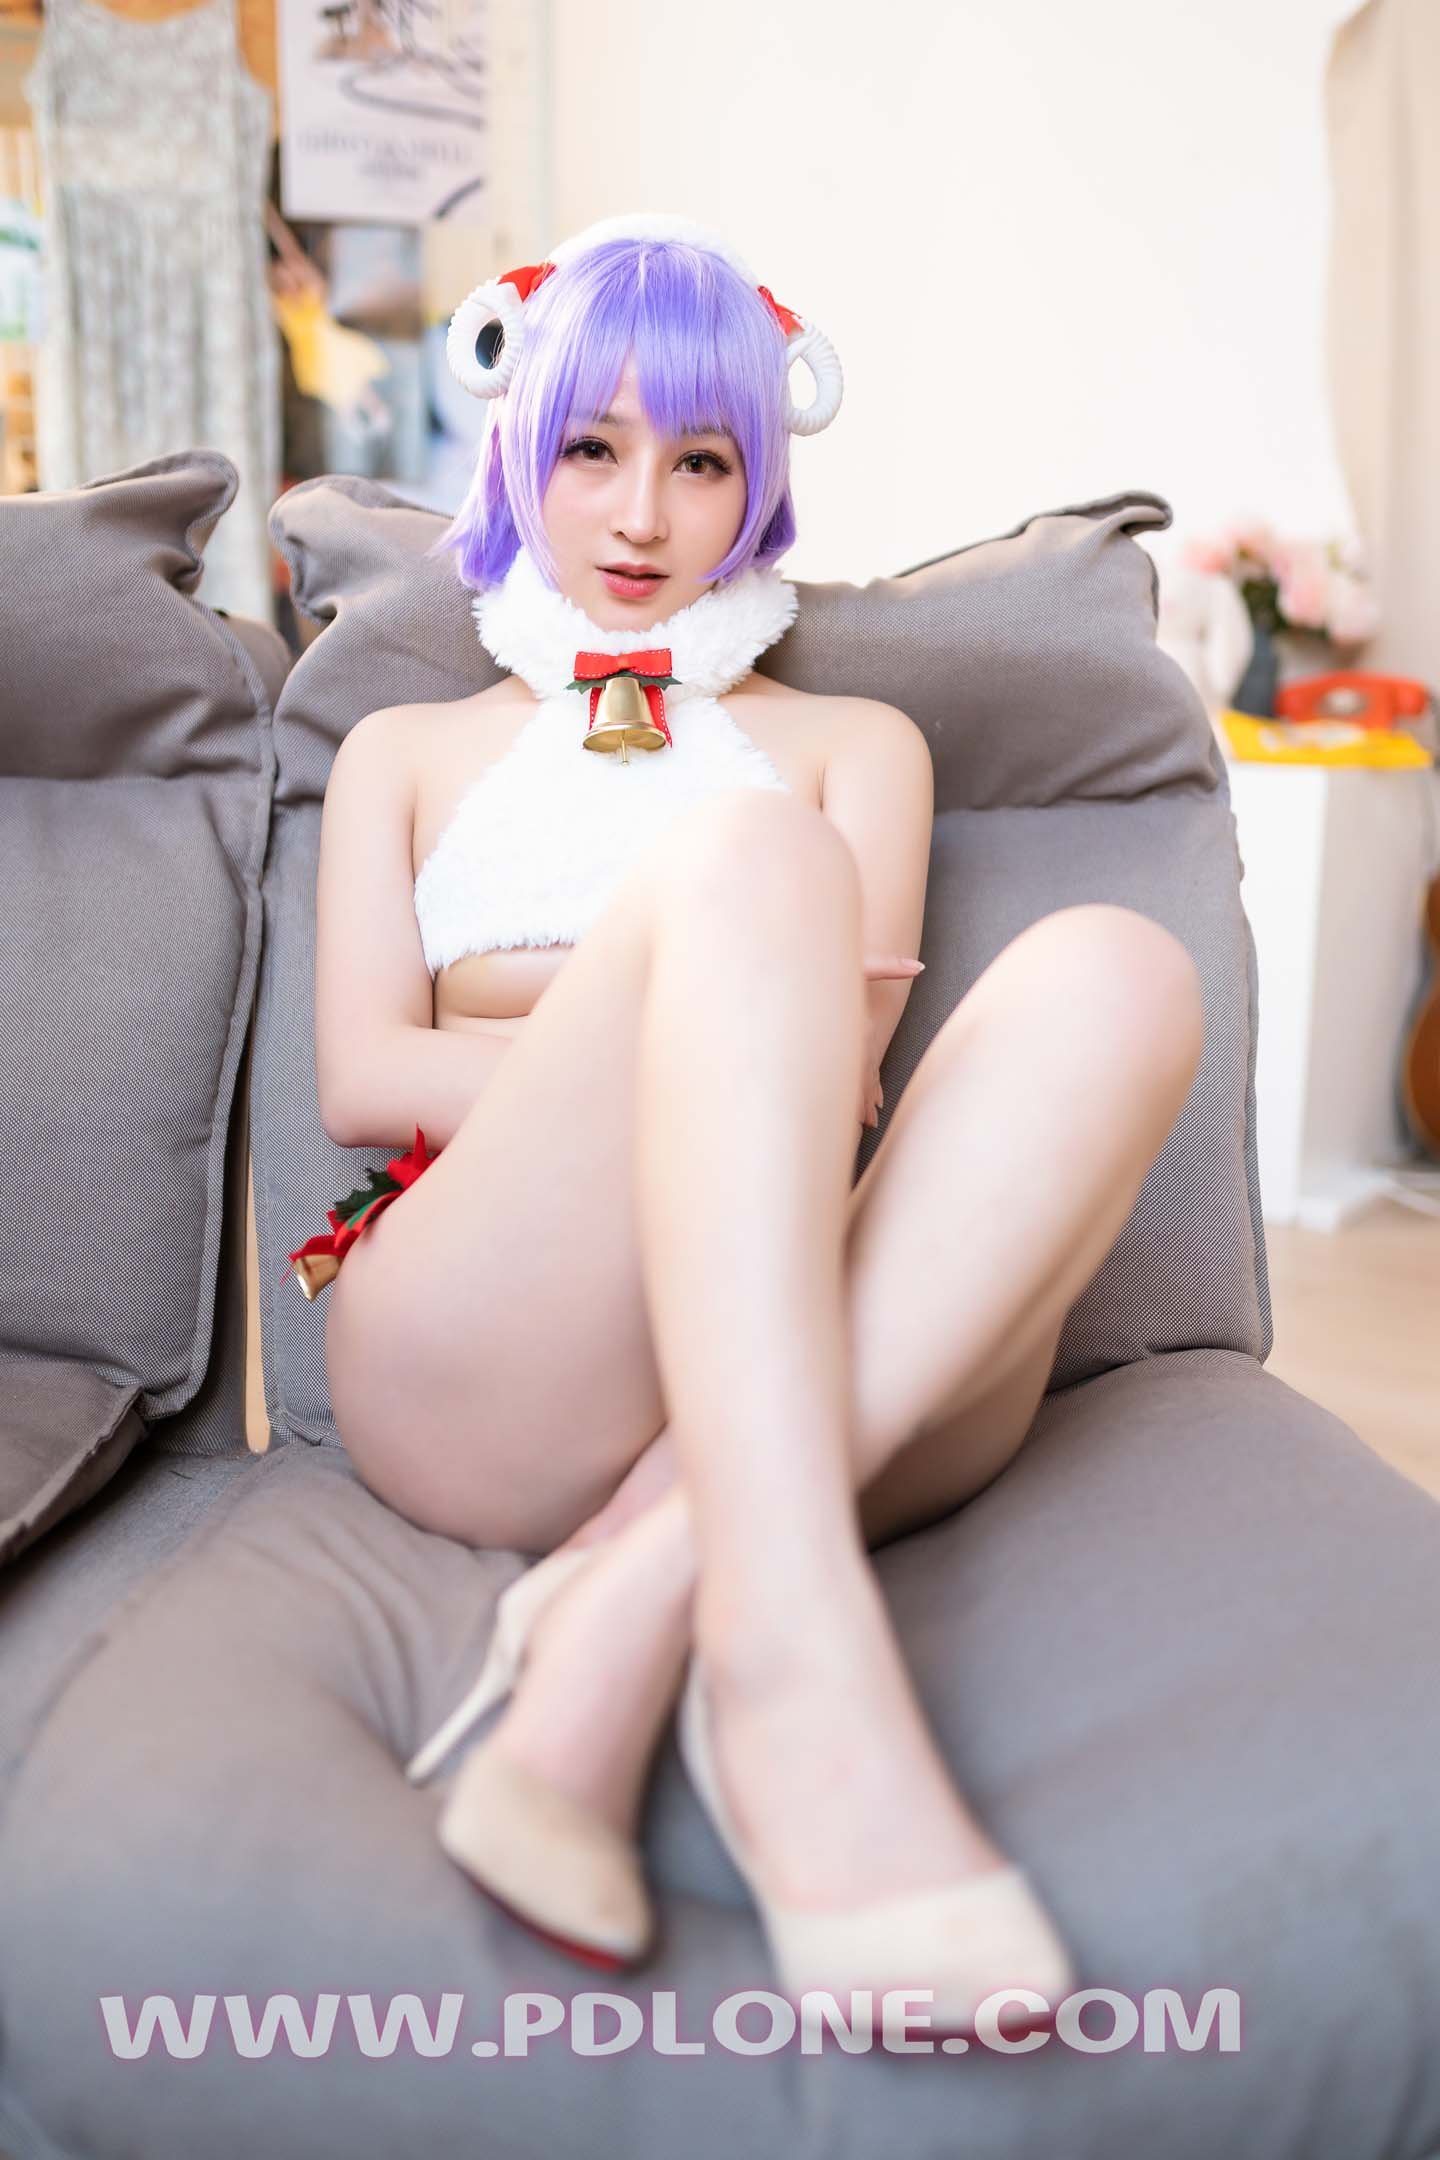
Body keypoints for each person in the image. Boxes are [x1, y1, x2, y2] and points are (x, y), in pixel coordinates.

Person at [300, 211, 1205, 2034]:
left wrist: (726, 1031)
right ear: (516, 448)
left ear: (762, 480)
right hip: (487, 1341)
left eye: (702, 462)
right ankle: (792, 1682)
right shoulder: (405, 754)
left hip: (810, 1335)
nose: (642, 516)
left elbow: (840, 1099)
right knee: (754, 865)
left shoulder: (858, 748)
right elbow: (368, 1080)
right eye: (593, 449)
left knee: (1122, 974)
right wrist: (669, 1051)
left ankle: (639, 1596)